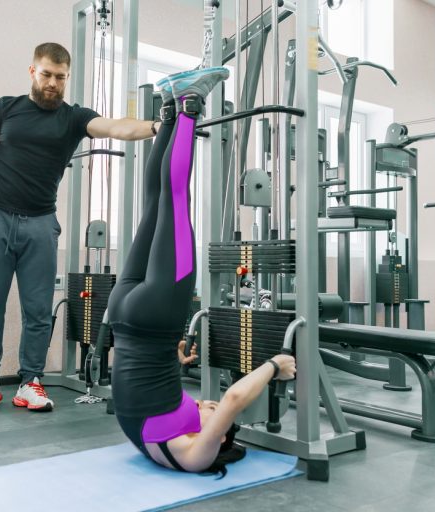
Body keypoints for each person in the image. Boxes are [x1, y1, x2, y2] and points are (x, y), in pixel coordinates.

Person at [107, 66, 297, 475]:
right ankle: (169, 107)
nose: (210, 407)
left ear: (221, 437)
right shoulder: (152, 434)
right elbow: (137, 385)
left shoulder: (196, 455)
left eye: (213, 419)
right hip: (123, 317)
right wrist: (171, 362)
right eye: (209, 409)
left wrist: (274, 366)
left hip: (155, 315)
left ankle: (189, 106)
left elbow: (232, 401)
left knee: (174, 199)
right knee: (155, 201)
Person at [0, 42, 161, 415]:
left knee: (38, 310)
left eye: (61, 77)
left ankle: (29, 382)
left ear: (67, 78)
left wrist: (157, 126)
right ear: (32, 71)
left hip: (40, 223)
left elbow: (117, 127)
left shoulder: (73, 117)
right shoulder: (4, 108)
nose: (53, 83)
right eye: (47, 74)